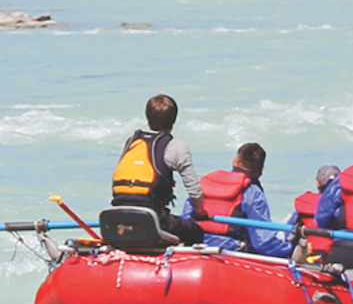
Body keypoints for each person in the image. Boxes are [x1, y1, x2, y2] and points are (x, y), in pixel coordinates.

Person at [109, 92, 203, 244]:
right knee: (195, 232)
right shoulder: (176, 147)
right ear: (173, 121)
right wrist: (199, 212)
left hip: (119, 217)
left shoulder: (131, 142)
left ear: (148, 118)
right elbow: (194, 192)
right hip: (153, 220)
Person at [192, 142, 291, 256]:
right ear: (260, 171)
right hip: (231, 252)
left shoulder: (206, 183)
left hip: (195, 248)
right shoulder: (253, 192)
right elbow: (262, 242)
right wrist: (289, 248)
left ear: (235, 162)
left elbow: (185, 219)